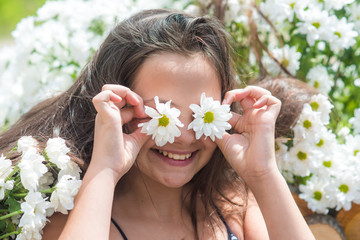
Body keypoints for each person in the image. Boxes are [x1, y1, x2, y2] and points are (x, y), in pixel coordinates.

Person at [0, 9, 315, 240]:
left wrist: (263, 174)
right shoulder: (74, 219)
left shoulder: (235, 207)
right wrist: (105, 170)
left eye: (203, 114)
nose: (185, 135)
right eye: (161, 114)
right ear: (117, 110)